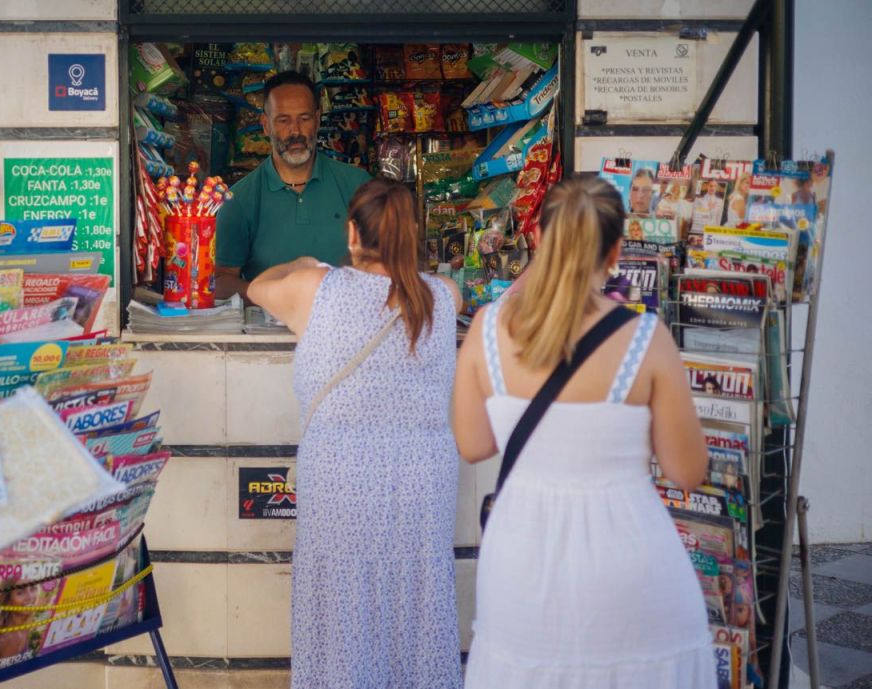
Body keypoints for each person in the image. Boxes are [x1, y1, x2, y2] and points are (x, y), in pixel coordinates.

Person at [452, 177, 713, 688]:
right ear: (615, 251)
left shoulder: (486, 329)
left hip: (521, 562)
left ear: (537, 239)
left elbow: (474, 444)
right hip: (631, 567)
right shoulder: (645, 337)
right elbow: (687, 471)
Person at [248, 178, 463, 689]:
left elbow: (256, 286)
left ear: (351, 233)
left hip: (341, 484)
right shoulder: (444, 296)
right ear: (413, 235)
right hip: (422, 487)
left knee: (341, 610)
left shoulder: (314, 288)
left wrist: (304, 262)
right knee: (416, 609)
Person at [216, 71, 371, 300]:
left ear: (317, 120)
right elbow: (221, 281)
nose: (295, 131)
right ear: (266, 125)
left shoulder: (357, 185)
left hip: (349, 320)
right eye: (283, 120)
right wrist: (273, 296)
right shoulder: (238, 200)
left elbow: (386, 265)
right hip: (270, 321)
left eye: (304, 118)